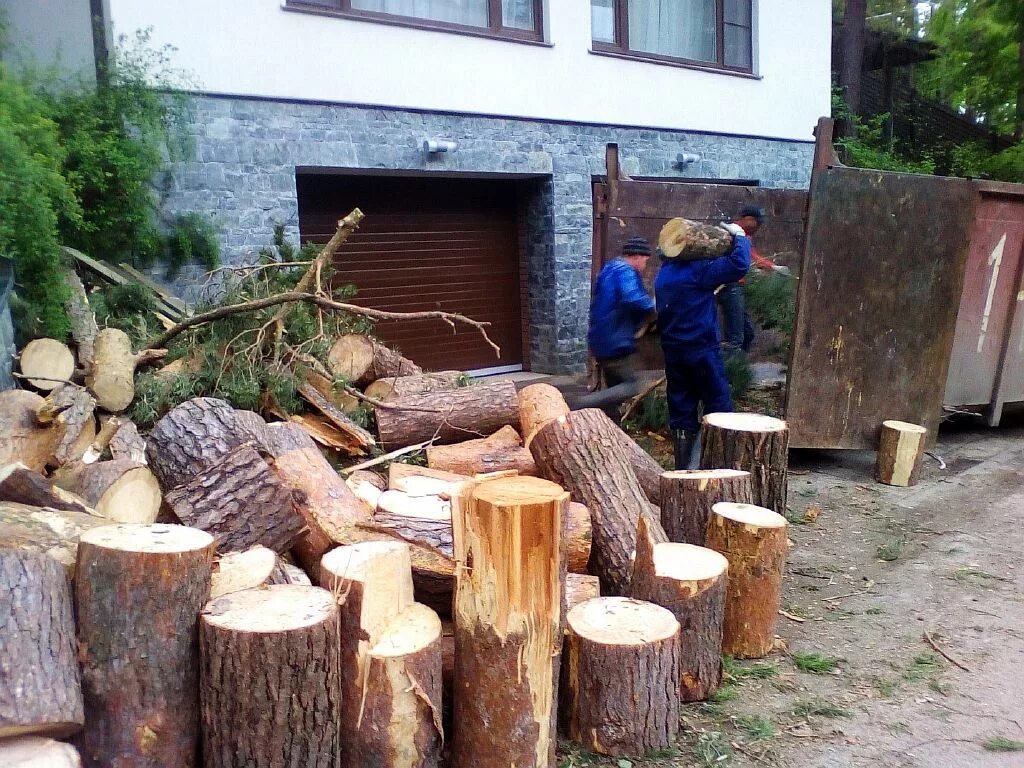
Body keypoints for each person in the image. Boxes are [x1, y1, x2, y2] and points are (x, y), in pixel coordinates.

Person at [656, 223, 751, 469]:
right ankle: (709, 468)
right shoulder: (698, 271)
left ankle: (683, 471)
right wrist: (740, 237)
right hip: (701, 350)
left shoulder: (664, 275)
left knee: (682, 410)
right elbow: (739, 265)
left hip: (673, 352)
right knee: (719, 407)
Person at [576, 236, 656, 417]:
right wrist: (654, 308)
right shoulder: (625, 271)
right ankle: (581, 404)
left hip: (602, 339)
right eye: (645, 260)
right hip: (616, 342)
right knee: (631, 386)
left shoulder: (609, 269)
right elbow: (633, 298)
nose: (645, 265)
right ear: (637, 256)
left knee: (613, 393)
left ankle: (612, 427)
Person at [715, 205, 783, 354]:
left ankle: (739, 364)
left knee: (748, 334)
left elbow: (752, 257)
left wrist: (773, 267)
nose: (759, 227)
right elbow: (744, 259)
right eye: (757, 222)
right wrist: (770, 267)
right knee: (735, 340)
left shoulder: (744, 236)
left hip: (735, 287)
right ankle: (725, 364)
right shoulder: (731, 233)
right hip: (729, 286)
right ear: (748, 219)